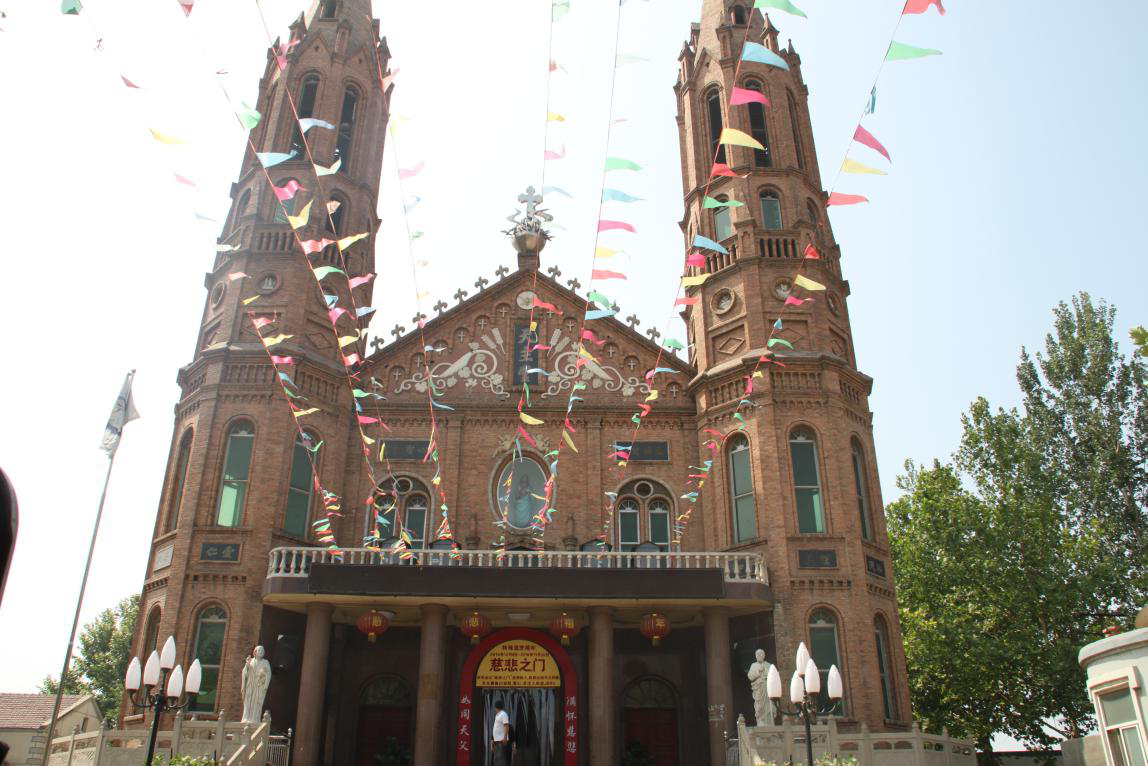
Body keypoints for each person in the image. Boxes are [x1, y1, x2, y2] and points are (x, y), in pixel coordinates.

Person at [491, 700, 514, 765]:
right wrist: (493, 740)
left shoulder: (503, 714)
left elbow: (506, 726)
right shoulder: (497, 715)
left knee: (501, 758)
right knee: (496, 759)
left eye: (495, 707)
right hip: (497, 740)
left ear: (496, 707)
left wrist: (505, 737)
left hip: (501, 740)